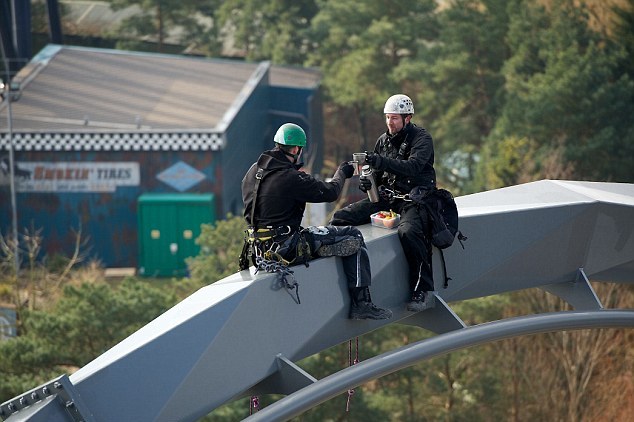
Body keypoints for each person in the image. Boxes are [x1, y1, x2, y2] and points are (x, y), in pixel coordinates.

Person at [240, 123, 392, 320]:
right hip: (287, 248)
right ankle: (361, 303)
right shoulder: (290, 178)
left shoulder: (254, 171)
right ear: (296, 149)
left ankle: (320, 247)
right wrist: (342, 173)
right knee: (353, 235)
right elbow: (330, 192)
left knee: (325, 234)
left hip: (260, 249)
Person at [330, 94, 436, 312]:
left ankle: (421, 289)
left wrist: (378, 161)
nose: (390, 122)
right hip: (386, 198)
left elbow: (413, 167)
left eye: (395, 118)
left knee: (409, 232)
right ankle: (342, 276)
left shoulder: (422, 139)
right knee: (340, 218)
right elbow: (377, 175)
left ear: (408, 118)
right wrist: (367, 182)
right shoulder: (382, 140)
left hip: (412, 200)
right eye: (388, 117)